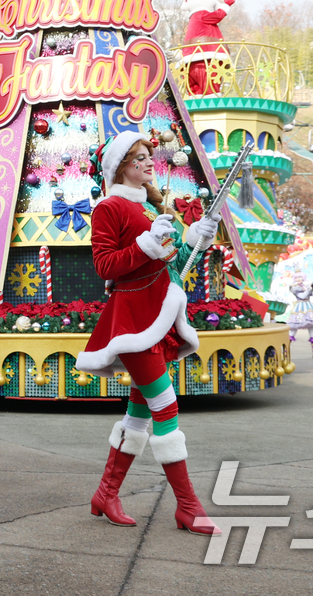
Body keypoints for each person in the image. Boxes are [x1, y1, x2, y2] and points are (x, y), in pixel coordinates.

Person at [75, 131, 220, 535]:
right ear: (121, 166)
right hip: (133, 322)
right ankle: (188, 507)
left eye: (148, 157)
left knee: (139, 413)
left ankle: (106, 494)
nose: (147, 163)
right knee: (165, 408)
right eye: (138, 158)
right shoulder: (110, 207)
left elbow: (172, 264)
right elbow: (105, 266)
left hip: (158, 317)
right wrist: (147, 243)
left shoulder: (149, 209)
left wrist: (196, 239)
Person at [286, 277, 313, 359]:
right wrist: (310, 289)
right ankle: (285, 352)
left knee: (312, 331)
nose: (298, 279)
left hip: (309, 308)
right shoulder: (294, 287)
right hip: (299, 308)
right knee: (292, 332)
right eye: (297, 277)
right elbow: (302, 296)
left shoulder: (305, 286)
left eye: (300, 277)